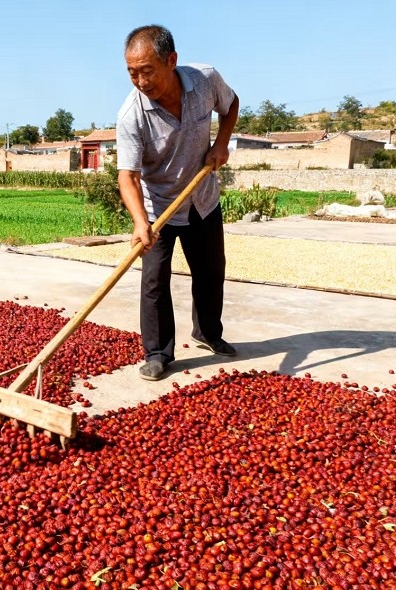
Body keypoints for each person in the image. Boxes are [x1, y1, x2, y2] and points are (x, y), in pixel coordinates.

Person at [116, 24, 240, 381]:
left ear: (171, 60)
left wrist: (221, 144)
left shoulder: (204, 80)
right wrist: (141, 222)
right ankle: (157, 352)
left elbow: (231, 106)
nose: (140, 81)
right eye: (131, 73)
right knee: (154, 281)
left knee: (211, 270)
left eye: (147, 71)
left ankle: (208, 332)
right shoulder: (131, 115)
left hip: (201, 197)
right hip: (158, 207)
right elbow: (128, 176)